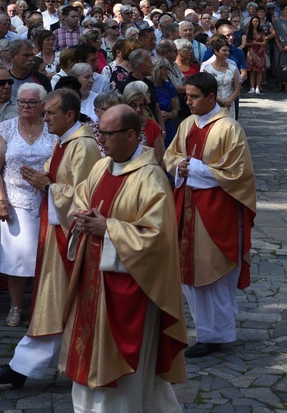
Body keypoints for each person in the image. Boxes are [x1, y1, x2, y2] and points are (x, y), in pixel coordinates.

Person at [60, 104, 187, 411]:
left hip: (129, 289)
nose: (100, 140)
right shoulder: (101, 168)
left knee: (126, 375)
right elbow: (81, 199)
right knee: (88, 352)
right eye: (98, 131)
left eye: (107, 134)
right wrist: (83, 216)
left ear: (131, 135)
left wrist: (109, 228)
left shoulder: (151, 178)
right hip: (93, 282)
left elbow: (158, 240)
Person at [0, 88, 101, 388]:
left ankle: (32, 367)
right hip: (56, 230)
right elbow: (53, 177)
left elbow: (86, 198)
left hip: (70, 238)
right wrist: (43, 181)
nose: (44, 117)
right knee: (52, 303)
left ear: (69, 115)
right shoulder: (64, 142)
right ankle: (24, 366)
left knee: (55, 303)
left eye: (50, 112)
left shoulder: (82, 146)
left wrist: (48, 187)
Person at [163, 72, 256, 358]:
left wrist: (198, 169)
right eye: (186, 96)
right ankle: (207, 332)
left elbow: (238, 173)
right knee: (190, 272)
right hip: (187, 206)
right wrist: (179, 166)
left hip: (217, 212)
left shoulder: (229, 128)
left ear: (212, 98)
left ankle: (217, 333)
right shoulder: (188, 124)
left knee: (214, 272)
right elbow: (171, 155)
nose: (188, 102)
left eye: (194, 97)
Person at [0, 83, 56, 327]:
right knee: (17, 259)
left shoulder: (52, 129)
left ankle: (41, 307)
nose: (25, 106)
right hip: (14, 205)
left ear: (42, 105)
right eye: (22, 102)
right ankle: (16, 306)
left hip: (48, 202)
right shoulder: (5, 129)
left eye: (31, 102)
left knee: (46, 258)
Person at [122, 82, 165, 167]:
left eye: (141, 105)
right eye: (133, 105)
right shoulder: (119, 125)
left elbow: (159, 157)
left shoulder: (153, 126)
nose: (138, 109)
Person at [200, 36, 240, 119]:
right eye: (224, 50)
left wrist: (228, 101)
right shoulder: (207, 69)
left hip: (229, 104)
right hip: (213, 102)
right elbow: (205, 88)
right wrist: (221, 101)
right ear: (216, 51)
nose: (227, 53)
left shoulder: (232, 68)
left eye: (228, 51)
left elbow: (237, 88)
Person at [152, 57, 179, 147]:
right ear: (157, 69)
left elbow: (175, 110)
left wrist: (168, 115)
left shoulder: (169, 87)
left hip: (168, 127)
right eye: (165, 69)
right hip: (152, 127)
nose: (167, 72)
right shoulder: (147, 86)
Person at [242, 16, 266, 95]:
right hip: (251, 52)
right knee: (251, 70)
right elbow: (245, 43)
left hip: (260, 52)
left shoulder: (261, 31)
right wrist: (252, 43)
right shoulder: (248, 31)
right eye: (254, 21)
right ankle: (252, 87)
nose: (255, 23)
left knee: (259, 70)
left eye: (256, 21)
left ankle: (258, 87)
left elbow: (264, 42)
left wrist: (258, 43)